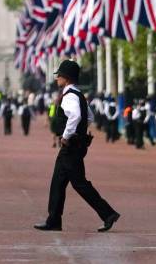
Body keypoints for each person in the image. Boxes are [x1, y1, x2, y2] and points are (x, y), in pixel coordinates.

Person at [34, 60, 119, 233]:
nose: (57, 78)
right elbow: (89, 116)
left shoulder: (70, 96)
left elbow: (75, 116)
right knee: (58, 182)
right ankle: (54, 220)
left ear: (66, 77)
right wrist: (80, 131)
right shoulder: (77, 94)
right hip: (76, 144)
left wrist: (66, 135)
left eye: (60, 75)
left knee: (79, 184)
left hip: (71, 146)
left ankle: (108, 213)